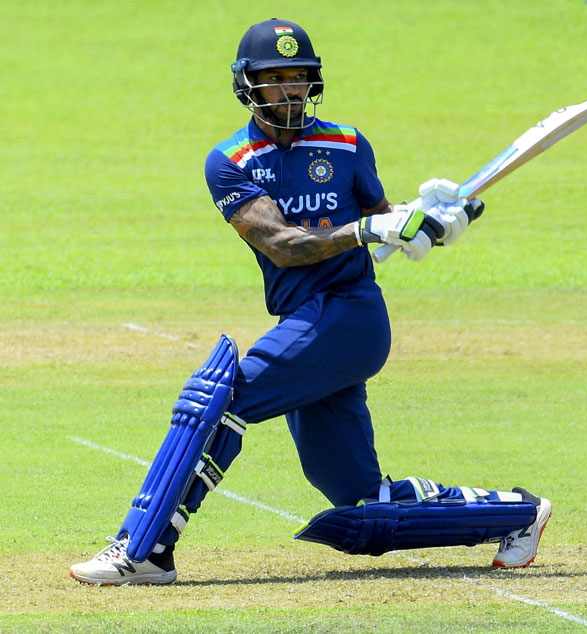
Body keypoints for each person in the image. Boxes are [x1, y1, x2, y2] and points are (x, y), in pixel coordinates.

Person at [69, 18, 551, 586]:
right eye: (275, 79)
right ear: (248, 85)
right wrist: (369, 230)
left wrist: (432, 220)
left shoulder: (348, 144)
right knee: (360, 500)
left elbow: (382, 223)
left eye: (298, 77)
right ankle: (518, 514)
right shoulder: (230, 161)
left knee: (221, 400)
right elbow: (282, 244)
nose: (290, 90)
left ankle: (144, 548)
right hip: (304, 319)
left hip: (349, 315)